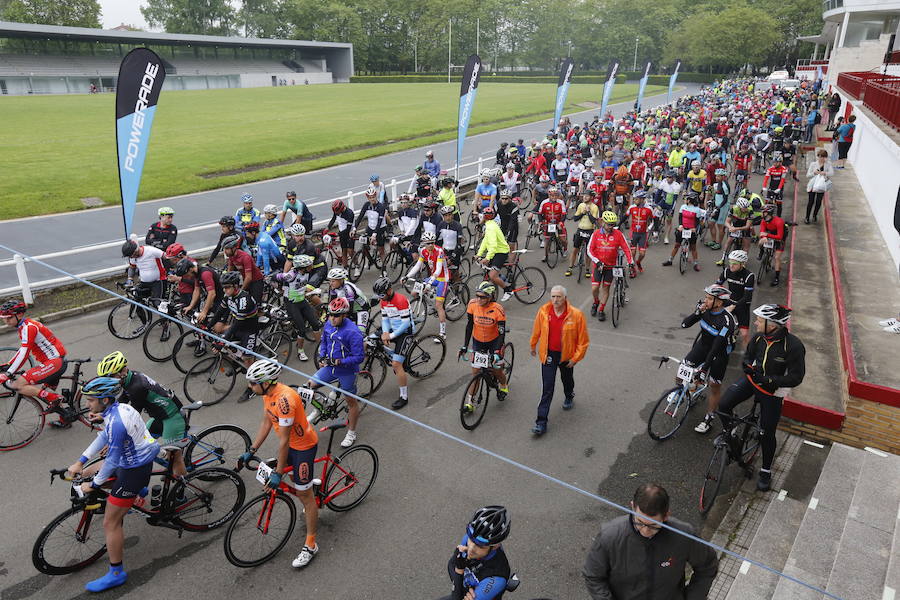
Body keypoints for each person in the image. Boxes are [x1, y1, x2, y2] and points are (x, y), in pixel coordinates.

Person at [66, 377, 159, 592]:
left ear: (106, 400)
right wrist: (80, 462)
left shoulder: (116, 422)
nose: (88, 405)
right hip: (134, 459)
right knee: (91, 473)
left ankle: (116, 573)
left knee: (110, 522)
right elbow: (103, 439)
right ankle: (138, 491)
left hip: (134, 468)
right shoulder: (116, 410)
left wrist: (94, 485)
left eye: (91, 400)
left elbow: (112, 460)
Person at [239, 359, 320, 568]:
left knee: (305, 495)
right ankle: (310, 485)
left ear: (265, 382)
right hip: (291, 445)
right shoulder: (268, 394)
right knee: (295, 481)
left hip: (303, 447)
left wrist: (278, 472)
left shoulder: (285, 400)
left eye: (252, 383)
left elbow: (284, 441)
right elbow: (266, 421)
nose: (249, 387)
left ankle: (311, 544)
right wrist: (252, 450)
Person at [719, 304, 806, 491]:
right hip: (753, 381)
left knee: (767, 433)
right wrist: (748, 366)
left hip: (773, 392)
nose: (756, 323)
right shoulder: (759, 338)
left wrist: (770, 380)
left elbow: (796, 377)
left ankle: (766, 470)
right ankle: (732, 437)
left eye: (759, 320)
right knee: (723, 405)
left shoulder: (793, 346)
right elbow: (748, 357)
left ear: (772, 325)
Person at [582, 483, 719, 600]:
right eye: (640, 522)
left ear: (666, 515)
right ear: (632, 506)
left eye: (653, 525)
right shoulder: (609, 536)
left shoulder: (684, 535)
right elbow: (593, 576)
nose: (645, 531)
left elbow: (707, 566)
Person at [96, 351, 186, 478]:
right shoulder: (130, 378)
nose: (107, 381)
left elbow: (130, 419)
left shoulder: (137, 387)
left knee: (174, 458)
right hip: (159, 417)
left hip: (172, 418)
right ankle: (170, 469)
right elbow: (123, 400)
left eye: (109, 377)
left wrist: (112, 440)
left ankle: (182, 487)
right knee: (142, 446)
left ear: (122, 372)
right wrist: (104, 415)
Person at [529, 285, 589, 436]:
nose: (555, 300)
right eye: (553, 297)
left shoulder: (576, 315)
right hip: (548, 355)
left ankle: (569, 394)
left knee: (567, 379)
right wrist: (533, 345)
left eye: (558, 297)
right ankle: (541, 422)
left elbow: (583, 341)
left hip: (566, 356)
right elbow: (537, 329)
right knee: (547, 388)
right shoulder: (543, 311)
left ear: (565, 298)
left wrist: (575, 358)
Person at [0, 299, 70, 426]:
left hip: (55, 362)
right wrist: (9, 365)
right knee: (42, 393)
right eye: (4, 318)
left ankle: (55, 399)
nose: (5, 321)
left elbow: (25, 353)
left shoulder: (29, 327)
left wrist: (9, 373)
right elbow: (23, 349)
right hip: (53, 362)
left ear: (19, 315)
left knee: (18, 385)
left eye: (8, 318)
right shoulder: (24, 326)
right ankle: (66, 417)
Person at [680, 284, 738, 434]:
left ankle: (709, 417)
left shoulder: (726, 322)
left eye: (709, 298)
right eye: (706, 297)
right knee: (682, 371)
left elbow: (716, 348)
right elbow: (684, 324)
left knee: (714, 385)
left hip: (719, 353)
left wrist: (704, 369)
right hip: (703, 346)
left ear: (719, 302)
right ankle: (693, 388)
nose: (705, 300)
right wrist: (697, 312)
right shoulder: (705, 309)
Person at [314, 297, 365, 445]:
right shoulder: (328, 324)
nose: (332, 318)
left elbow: (359, 357)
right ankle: (321, 408)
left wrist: (340, 361)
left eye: (336, 315)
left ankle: (351, 433)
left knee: (351, 402)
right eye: (330, 314)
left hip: (347, 371)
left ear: (344, 315)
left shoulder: (353, 332)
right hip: (330, 367)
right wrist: (322, 356)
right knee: (308, 387)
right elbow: (324, 341)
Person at [440, 506, 512, 600]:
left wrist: (459, 570)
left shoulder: (496, 579)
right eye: (471, 539)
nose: (471, 548)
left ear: (495, 546)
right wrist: (464, 589)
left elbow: (455, 566)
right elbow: (451, 564)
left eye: (480, 546)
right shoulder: (474, 538)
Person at [460, 281, 510, 408]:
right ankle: (470, 402)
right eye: (477, 295)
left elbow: (501, 333)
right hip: (478, 341)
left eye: (482, 297)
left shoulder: (498, 309)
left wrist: (497, 352)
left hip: (494, 342)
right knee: (476, 373)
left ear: (490, 297)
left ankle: (503, 385)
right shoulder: (472, 304)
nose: (479, 299)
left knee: (497, 371)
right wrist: (465, 346)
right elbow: (469, 326)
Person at [373, 278, 414, 411]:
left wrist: (390, 336)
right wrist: (385, 332)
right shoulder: (383, 300)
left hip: (404, 331)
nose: (381, 298)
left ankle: (404, 397)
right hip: (391, 329)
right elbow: (385, 319)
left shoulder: (400, 300)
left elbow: (405, 324)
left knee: (396, 365)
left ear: (390, 290)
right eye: (379, 295)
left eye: (382, 295)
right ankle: (394, 355)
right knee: (369, 340)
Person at [220, 270, 261, 401]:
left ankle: (252, 387)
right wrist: (208, 326)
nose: (225, 290)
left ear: (236, 286)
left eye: (227, 287)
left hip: (249, 330)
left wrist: (225, 337)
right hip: (239, 328)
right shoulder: (229, 297)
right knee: (227, 347)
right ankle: (236, 364)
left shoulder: (244, 299)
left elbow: (237, 323)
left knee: (248, 360)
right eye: (224, 287)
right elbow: (219, 311)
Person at [587, 211, 634, 322]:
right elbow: (589, 250)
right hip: (598, 266)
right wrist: (597, 261)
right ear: (603, 222)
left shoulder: (618, 234)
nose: (611, 227)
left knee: (606, 288)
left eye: (613, 224)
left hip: (611, 266)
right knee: (595, 288)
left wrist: (630, 261)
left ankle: (601, 310)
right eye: (609, 224)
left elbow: (626, 248)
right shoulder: (596, 234)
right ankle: (596, 302)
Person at [275, 255, 324, 361]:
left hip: (302, 301)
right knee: (301, 329)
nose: (311, 266)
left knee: (315, 324)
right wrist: (270, 279)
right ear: (302, 267)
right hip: (292, 304)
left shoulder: (306, 272)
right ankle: (300, 351)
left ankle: (322, 348)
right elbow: (278, 276)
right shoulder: (291, 275)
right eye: (309, 265)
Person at [716, 250, 755, 347]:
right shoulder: (726, 271)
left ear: (742, 264)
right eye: (730, 262)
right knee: (716, 323)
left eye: (735, 264)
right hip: (729, 301)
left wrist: (734, 306)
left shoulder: (749, 276)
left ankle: (748, 355)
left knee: (744, 334)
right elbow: (717, 286)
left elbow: (747, 297)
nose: (731, 266)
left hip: (742, 305)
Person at [475, 206, 513, 302]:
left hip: (501, 252)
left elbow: (493, 245)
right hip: (496, 251)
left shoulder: (491, 227)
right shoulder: (489, 225)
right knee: (489, 270)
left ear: (484, 217)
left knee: (492, 275)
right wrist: (479, 254)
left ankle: (508, 290)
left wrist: (487, 258)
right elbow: (485, 241)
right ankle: (500, 279)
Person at [662, 192, 705, 272]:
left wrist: (694, 228)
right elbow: (680, 217)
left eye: (686, 199)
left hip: (691, 229)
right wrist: (680, 225)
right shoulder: (683, 207)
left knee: (693, 247)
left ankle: (696, 263)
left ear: (689, 200)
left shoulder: (697, 210)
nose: (685, 200)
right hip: (683, 228)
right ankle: (670, 260)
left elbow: (697, 221)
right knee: (677, 245)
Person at [222, 233, 265, 305]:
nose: (225, 252)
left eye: (226, 249)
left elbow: (249, 277)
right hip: (246, 280)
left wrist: (240, 291)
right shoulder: (231, 257)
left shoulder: (245, 257)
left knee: (254, 305)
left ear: (233, 248)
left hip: (256, 281)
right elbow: (229, 272)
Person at [566, 191, 600, 277]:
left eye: (587, 196)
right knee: (575, 250)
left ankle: (587, 269)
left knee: (588, 252)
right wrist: (583, 213)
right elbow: (575, 218)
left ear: (591, 197)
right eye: (584, 195)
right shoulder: (581, 205)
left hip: (589, 230)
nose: (584, 197)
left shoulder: (595, 207)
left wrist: (588, 212)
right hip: (580, 229)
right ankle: (570, 267)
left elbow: (594, 221)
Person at [758, 203, 786, 287]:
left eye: (763, 212)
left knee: (777, 257)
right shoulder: (763, 220)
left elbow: (779, 237)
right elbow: (762, 232)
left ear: (769, 213)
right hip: (770, 233)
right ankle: (761, 251)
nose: (761, 213)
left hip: (780, 236)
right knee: (760, 242)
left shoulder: (779, 222)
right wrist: (764, 237)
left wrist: (767, 235)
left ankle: (777, 277)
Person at [626, 190, 653, 273]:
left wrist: (651, 229)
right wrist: (618, 225)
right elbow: (625, 217)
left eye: (636, 199)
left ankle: (638, 262)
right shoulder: (632, 207)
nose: (634, 200)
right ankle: (632, 268)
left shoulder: (649, 208)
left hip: (643, 234)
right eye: (634, 199)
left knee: (642, 254)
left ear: (642, 199)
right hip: (633, 232)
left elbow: (653, 221)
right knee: (633, 252)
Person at [805, 148, 834, 223]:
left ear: (826, 157)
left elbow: (832, 173)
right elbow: (808, 175)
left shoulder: (828, 165)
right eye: (820, 156)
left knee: (818, 202)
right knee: (810, 202)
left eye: (823, 157)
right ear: (817, 156)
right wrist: (814, 173)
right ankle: (807, 217)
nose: (821, 158)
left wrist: (825, 173)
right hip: (812, 185)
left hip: (821, 186)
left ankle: (815, 215)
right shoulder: (813, 164)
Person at [326, 199, 356, 267]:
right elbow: (333, 219)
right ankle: (345, 267)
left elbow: (348, 229)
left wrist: (337, 234)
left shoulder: (349, 213)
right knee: (344, 251)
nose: (336, 213)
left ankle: (356, 265)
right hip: (342, 232)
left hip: (350, 233)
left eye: (337, 212)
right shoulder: (336, 210)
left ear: (341, 208)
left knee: (350, 252)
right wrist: (327, 228)